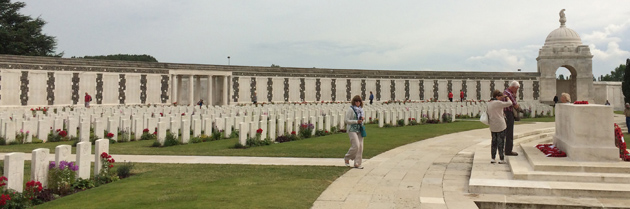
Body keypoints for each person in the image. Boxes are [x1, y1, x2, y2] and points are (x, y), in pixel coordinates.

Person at [488, 90, 514, 164]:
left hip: (492, 124)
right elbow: (510, 103)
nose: (501, 98)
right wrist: (507, 97)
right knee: (501, 142)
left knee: (494, 142)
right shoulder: (498, 103)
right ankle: (501, 159)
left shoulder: (489, 103)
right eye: (500, 97)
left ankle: (493, 158)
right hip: (500, 124)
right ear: (497, 96)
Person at [344, 95, 365, 169]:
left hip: (359, 129)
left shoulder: (361, 110)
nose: (358, 103)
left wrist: (362, 119)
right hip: (352, 129)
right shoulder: (351, 109)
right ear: (354, 102)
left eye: (359, 101)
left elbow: (362, 119)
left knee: (360, 147)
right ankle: (347, 157)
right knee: (356, 145)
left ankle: (357, 163)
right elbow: (346, 120)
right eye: (356, 101)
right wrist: (356, 121)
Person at [502, 81, 520, 156]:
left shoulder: (506, 92)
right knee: (509, 133)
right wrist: (520, 110)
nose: (517, 91)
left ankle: (506, 149)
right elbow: (515, 105)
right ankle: (508, 150)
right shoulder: (509, 94)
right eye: (517, 89)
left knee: (506, 132)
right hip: (509, 114)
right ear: (513, 87)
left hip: (506, 114)